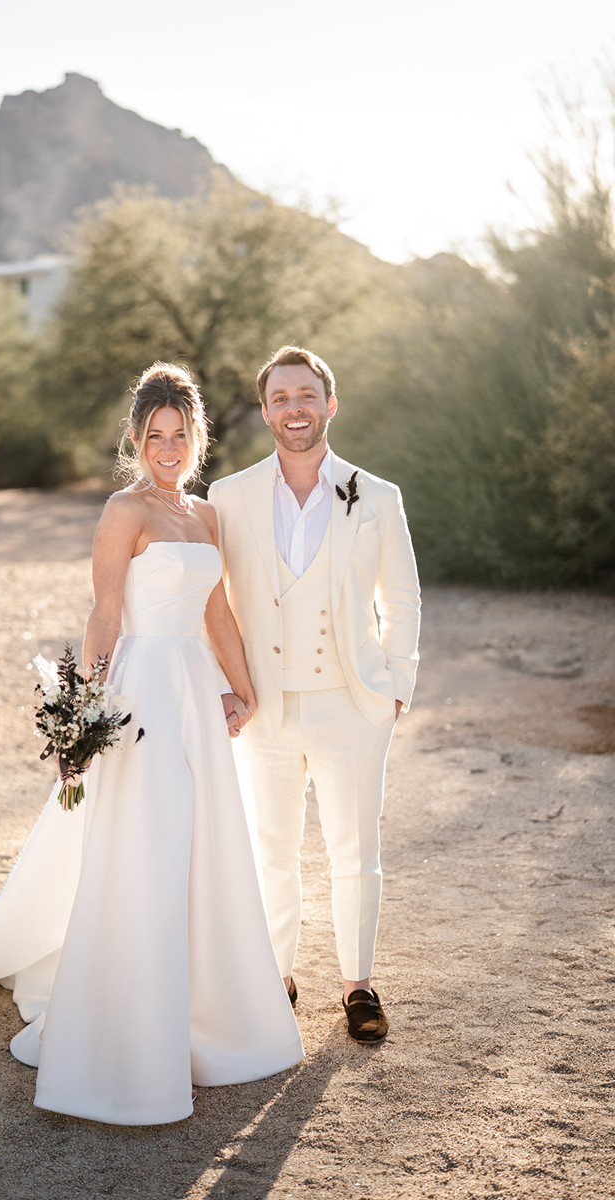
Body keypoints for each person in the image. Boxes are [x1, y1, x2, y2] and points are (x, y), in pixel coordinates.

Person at [0, 363, 304, 1125]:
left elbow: (218, 614)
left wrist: (246, 686)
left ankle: (206, 1022)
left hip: (197, 691)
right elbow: (103, 616)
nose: (168, 447)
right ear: (136, 438)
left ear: (198, 439)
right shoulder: (123, 511)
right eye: (155, 435)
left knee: (203, 849)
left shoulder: (205, 516)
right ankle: (137, 1039)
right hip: (142, 695)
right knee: (148, 852)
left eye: (181, 435)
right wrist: (85, 712)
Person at [208, 345, 420, 1043]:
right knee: (271, 852)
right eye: (280, 398)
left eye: (306, 395)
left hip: (351, 705)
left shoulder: (377, 495)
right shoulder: (230, 496)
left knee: (355, 851)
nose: (293, 408)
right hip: (265, 706)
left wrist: (395, 687)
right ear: (265, 410)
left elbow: (403, 597)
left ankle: (358, 985)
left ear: (330, 404)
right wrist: (227, 689)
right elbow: (213, 602)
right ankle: (276, 978)